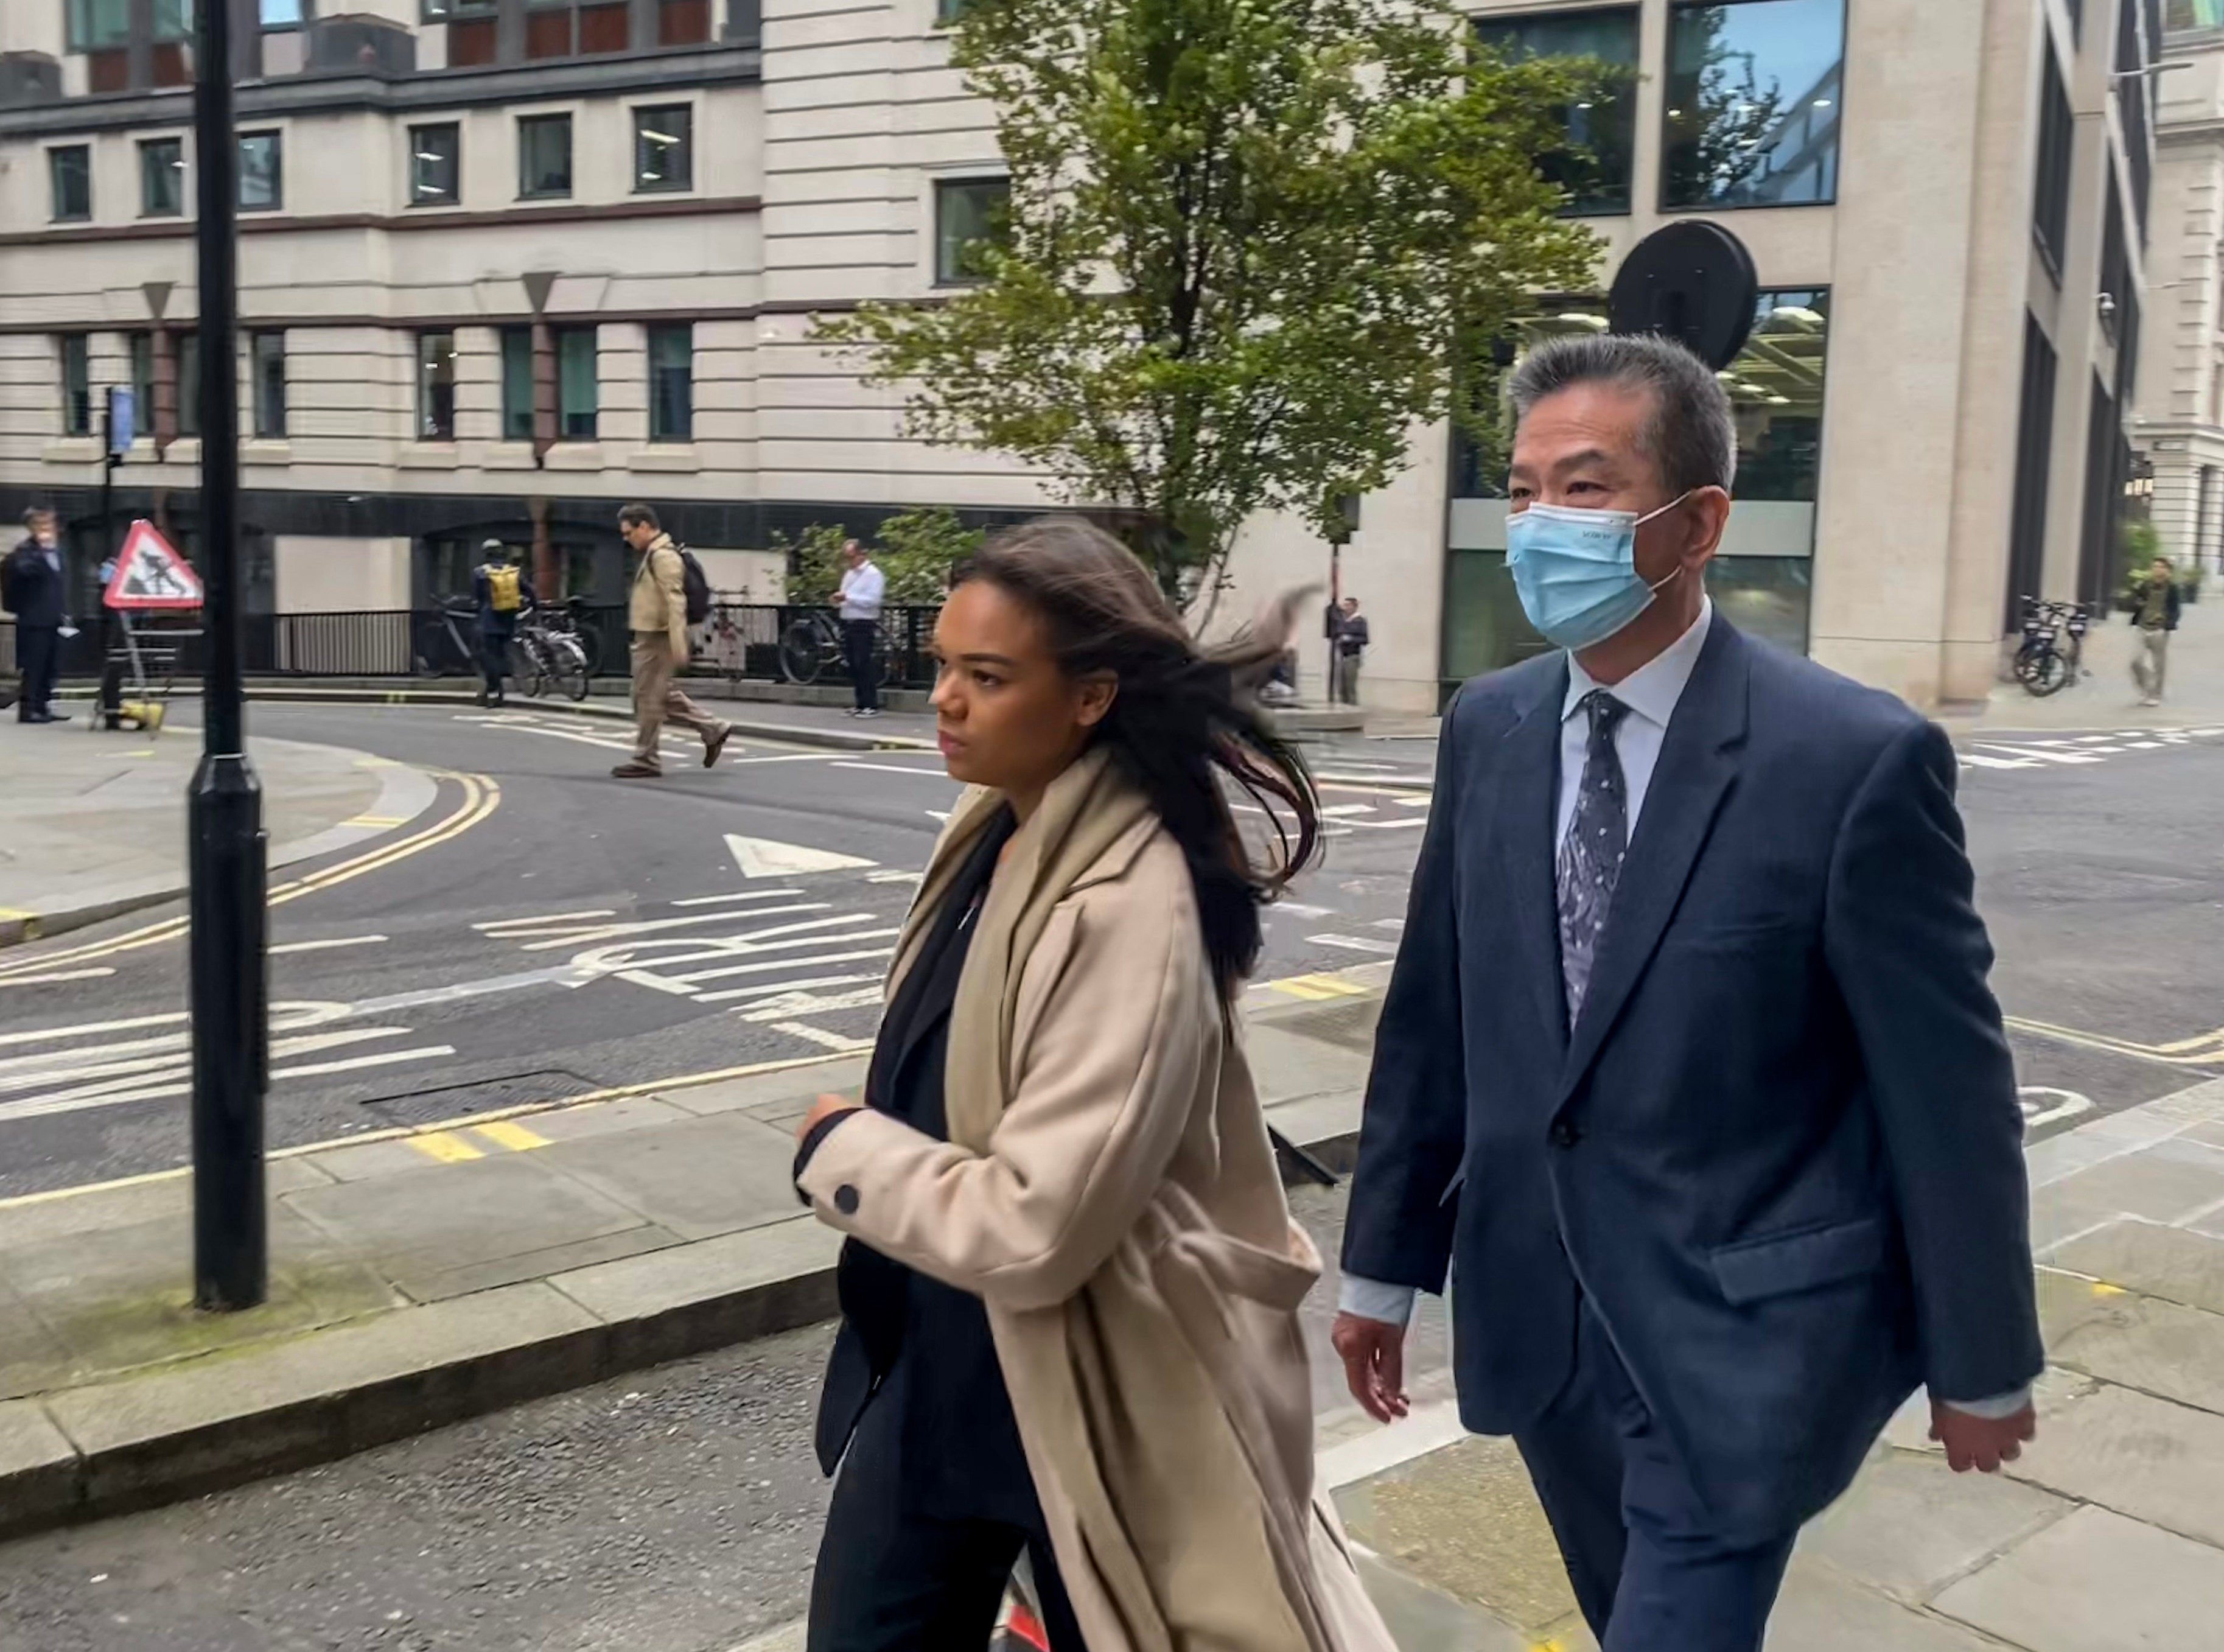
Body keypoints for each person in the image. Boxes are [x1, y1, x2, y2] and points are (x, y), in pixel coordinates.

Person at [1333, 333, 2043, 1652]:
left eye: (1588, 489)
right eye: (1526, 487)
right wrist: (1382, 1268)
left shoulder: (1851, 758)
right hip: (1541, 1322)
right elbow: (1434, 1018)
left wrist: (1982, 1353)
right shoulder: (1487, 726)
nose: (1542, 522)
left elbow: (1946, 1091)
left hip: (1747, 1341)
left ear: (1699, 521)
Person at [789, 517, 1395, 1652]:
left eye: (987, 675)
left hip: (1087, 1387)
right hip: (945, 1364)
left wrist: (841, 1149)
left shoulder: (1132, 901)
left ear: (1089, 697)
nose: (947, 701)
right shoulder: (999, 826)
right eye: (941, 668)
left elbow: (1041, 1223)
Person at [610, 503, 730, 779]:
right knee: (658, 695)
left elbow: (675, 600)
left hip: (658, 637)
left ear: (644, 527)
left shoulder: (663, 556)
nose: (626, 539)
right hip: (650, 636)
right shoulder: (654, 554)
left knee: (646, 698)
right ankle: (713, 729)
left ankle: (646, 759)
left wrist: (679, 644)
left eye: (629, 533)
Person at [2, 508, 69, 724]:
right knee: (34, 666)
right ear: (32, 529)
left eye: (49, 525)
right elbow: (22, 571)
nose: (46, 530)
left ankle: (43, 705)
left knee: (51, 665)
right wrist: (40, 552)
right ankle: (29, 709)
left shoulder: (58, 552)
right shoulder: (26, 552)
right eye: (40, 526)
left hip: (54, 617)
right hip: (34, 619)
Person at [470, 539, 534, 708]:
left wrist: (477, 607)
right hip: (509, 619)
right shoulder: (514, 571)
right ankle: (489, 691)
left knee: (489, 657)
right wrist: (534, 606)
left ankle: (495, 693)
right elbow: (530, 591)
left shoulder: (480, 573)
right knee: (501, 655)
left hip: (489, 620)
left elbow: (477, 598)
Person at [837, 538, 886, 718]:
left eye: (851, 557)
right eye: (847, 558)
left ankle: (871, 705)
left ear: (861, 554)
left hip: (864, 622)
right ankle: (860, 703)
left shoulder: (873, 575)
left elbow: (873, 601)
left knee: (863, 663)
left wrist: (848, 598)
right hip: (849, 621)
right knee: (853, 664)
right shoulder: (850, 574)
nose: (849, 561)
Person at [2130, 554, 2183, 707]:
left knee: (2159, 664)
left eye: (2160, 567)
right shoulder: (2145, 585)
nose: (2157, 570)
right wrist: (2136, 603)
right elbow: (2134, 602)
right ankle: (2146, 688)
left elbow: (2176, 609)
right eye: (2155, 567)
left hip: (2159, 629)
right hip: (2142, 626)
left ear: (2167, 571)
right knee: (2135, 661)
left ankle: (2156, 695)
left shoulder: (2172, 589)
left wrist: (2168, 624)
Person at [1332, 597, 1369, 706]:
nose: (1346, 608)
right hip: (1342, 655)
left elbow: (1364, 640)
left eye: (1348, 605)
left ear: (1354, 607)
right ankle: (1343, 707)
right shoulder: (1342, 621)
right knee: (1341, 686)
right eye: (1345, 605)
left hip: (1353, 656)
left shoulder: (1360, 621)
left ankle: (1352, 708)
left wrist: (1350, 638)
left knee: (1350, 685)